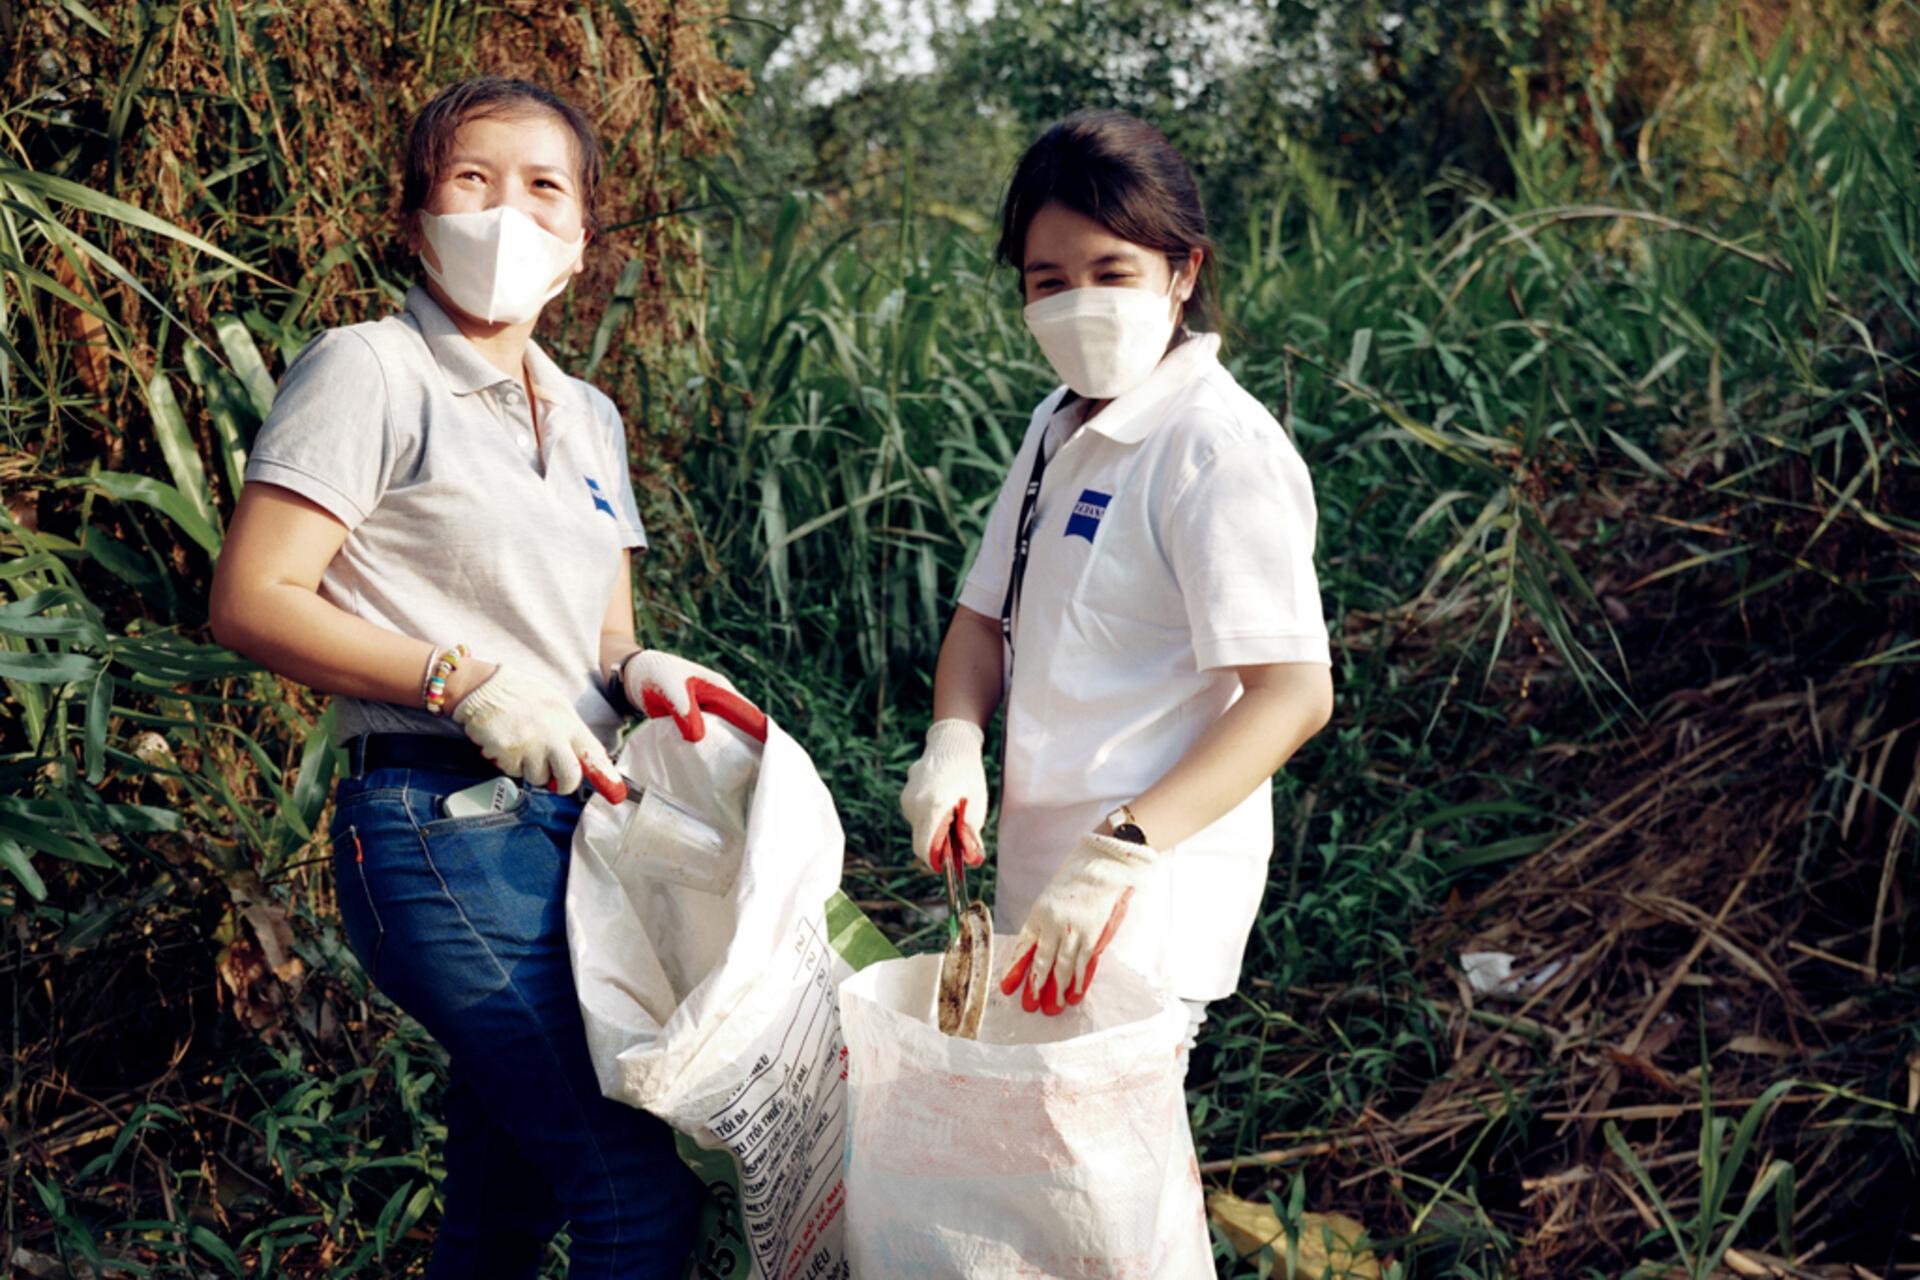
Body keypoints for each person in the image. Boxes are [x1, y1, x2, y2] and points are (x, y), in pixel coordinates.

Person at [208, 77, 752, 1279]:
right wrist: (459, 675)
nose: (508, 212)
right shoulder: (371, 369)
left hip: (571, 831)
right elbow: (253, 597)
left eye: (544, 187)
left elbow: (602, 640)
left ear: (581, 240)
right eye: (472, 180)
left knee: (501, 1209)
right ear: (414, 219)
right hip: (436, 823)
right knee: (636, 1189)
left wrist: (646, 669)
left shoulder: (591, 413)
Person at [899, 110, 1335, 1048]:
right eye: (1048, 282)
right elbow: (983, 620)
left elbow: (1292, 694)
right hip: (1037, 877)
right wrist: (952, 744)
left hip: (1144, 899)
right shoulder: (1060, 423)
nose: (1078, 303)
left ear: (1183, 274)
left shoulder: (1215, 447)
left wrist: (1119, 852)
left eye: (1112, 273)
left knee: (1096, 1171)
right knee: (1035, 1170)